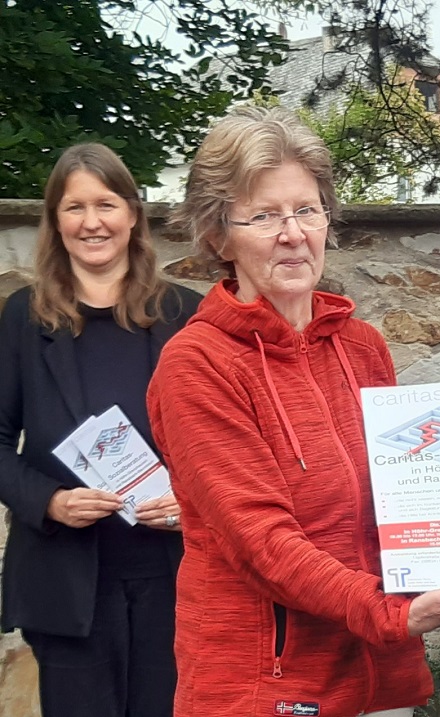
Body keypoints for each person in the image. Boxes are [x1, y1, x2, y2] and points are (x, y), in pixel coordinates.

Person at [146, 106, 440, 717]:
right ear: (217, 236)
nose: (292, 233)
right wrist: (390, 612)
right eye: (263, 216)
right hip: (266, 687)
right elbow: (263, 541)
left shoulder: (362, 347)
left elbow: (415, 502)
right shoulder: (197, 364)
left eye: (306, 210)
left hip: (380, 675)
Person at [0, 143, 200, 717]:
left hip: (172, 576)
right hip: (65, 581)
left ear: (133, 214)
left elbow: (232, 443)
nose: (92, 222)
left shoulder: (186, 315)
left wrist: (194, 502)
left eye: (106, 204)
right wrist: (51, 501)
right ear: (55, 221)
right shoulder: (24, 317)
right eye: (74, 207)